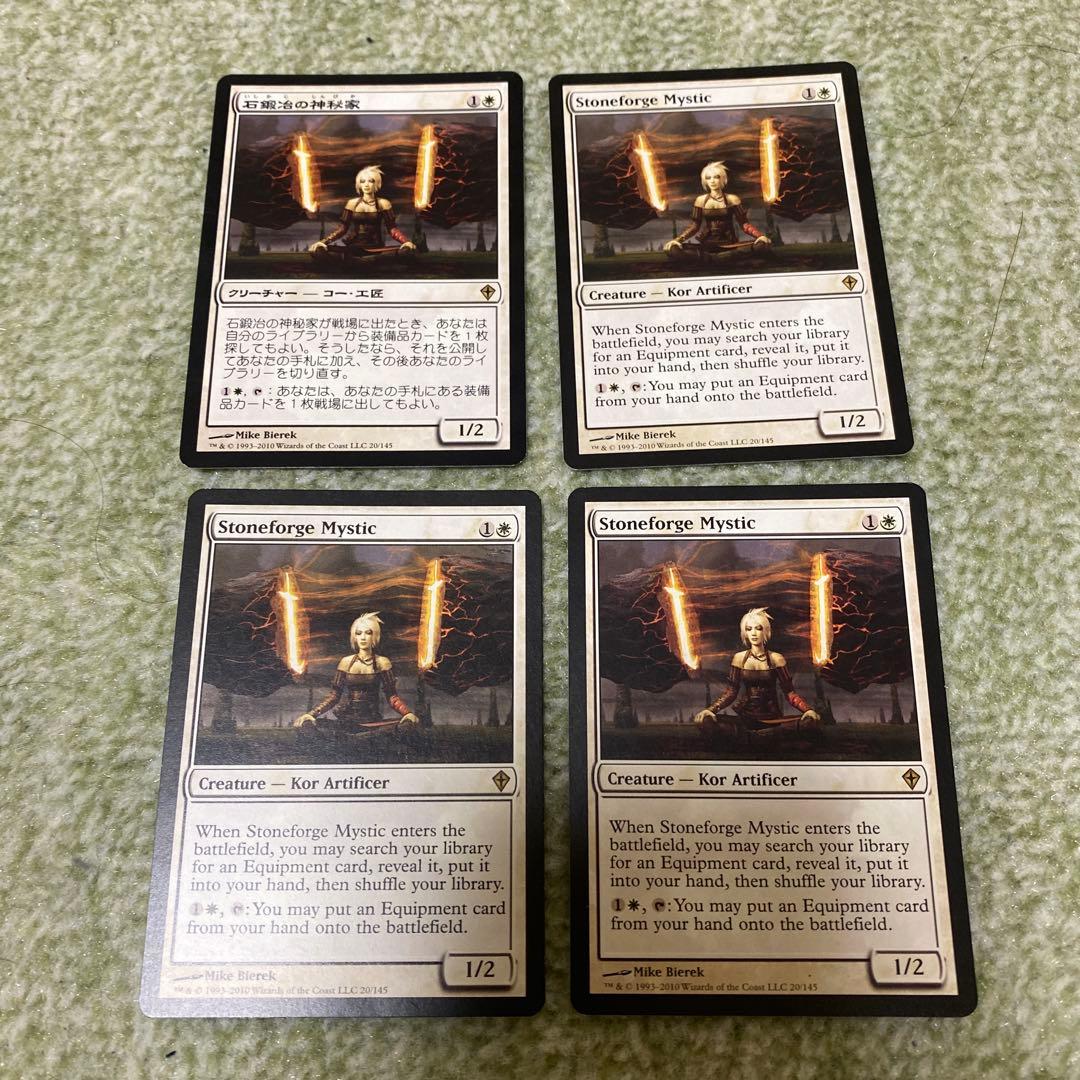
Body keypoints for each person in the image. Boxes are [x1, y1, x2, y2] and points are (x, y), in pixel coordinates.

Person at [693, 607, 820, 736]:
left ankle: (754, 737)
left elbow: (789, 693)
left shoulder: (776, 658)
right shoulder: (739, 658)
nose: (753, 633)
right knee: (705, 721)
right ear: (745, 632)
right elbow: (731, 692)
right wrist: (710, 710)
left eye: (758, 628)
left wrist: (807, 710)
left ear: (765, 630)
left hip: (773, 719)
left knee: (810, 723)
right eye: (749, 629)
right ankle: (759, 736)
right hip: (746, 719)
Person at [294, 613, 419, 733]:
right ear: (355, 636)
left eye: (368, 633)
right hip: (347, 722)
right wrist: (311, 714)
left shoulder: (382, 662)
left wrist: (407, 713)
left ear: (374, 636)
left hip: (373, 723)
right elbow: (334, 696)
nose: (363, 637)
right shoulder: (345, 662)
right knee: (309, 726)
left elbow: (392, 697)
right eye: (359, 633)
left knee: (404, 727)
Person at [665, 161, 771, 256]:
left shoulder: (732, 199)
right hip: (706, 246)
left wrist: (760, 236)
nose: (712, 181)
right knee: (672, 249)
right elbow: (695, 226)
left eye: (716, 177)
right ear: (705, 181)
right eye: (708, 178)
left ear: (723, 178)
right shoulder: (700, 200)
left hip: (730, 245)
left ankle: (713, 259)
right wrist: (678, 240)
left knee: (761, 245)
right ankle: (717, 258)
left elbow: (744, 224)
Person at [309, 165, 416, 259]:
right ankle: (364, 262)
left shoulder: (384, 203)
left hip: (376, 249)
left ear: (377, 183)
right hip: (353, 248)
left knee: (407, 251)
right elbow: (342, 229)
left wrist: (405, 242)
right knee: (317, 251)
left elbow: (392, 229)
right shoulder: (352, 203)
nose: (366, 184)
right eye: (363, 181)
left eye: (371, 181)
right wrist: (322, 242)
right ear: (359, 184)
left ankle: (358, 262)